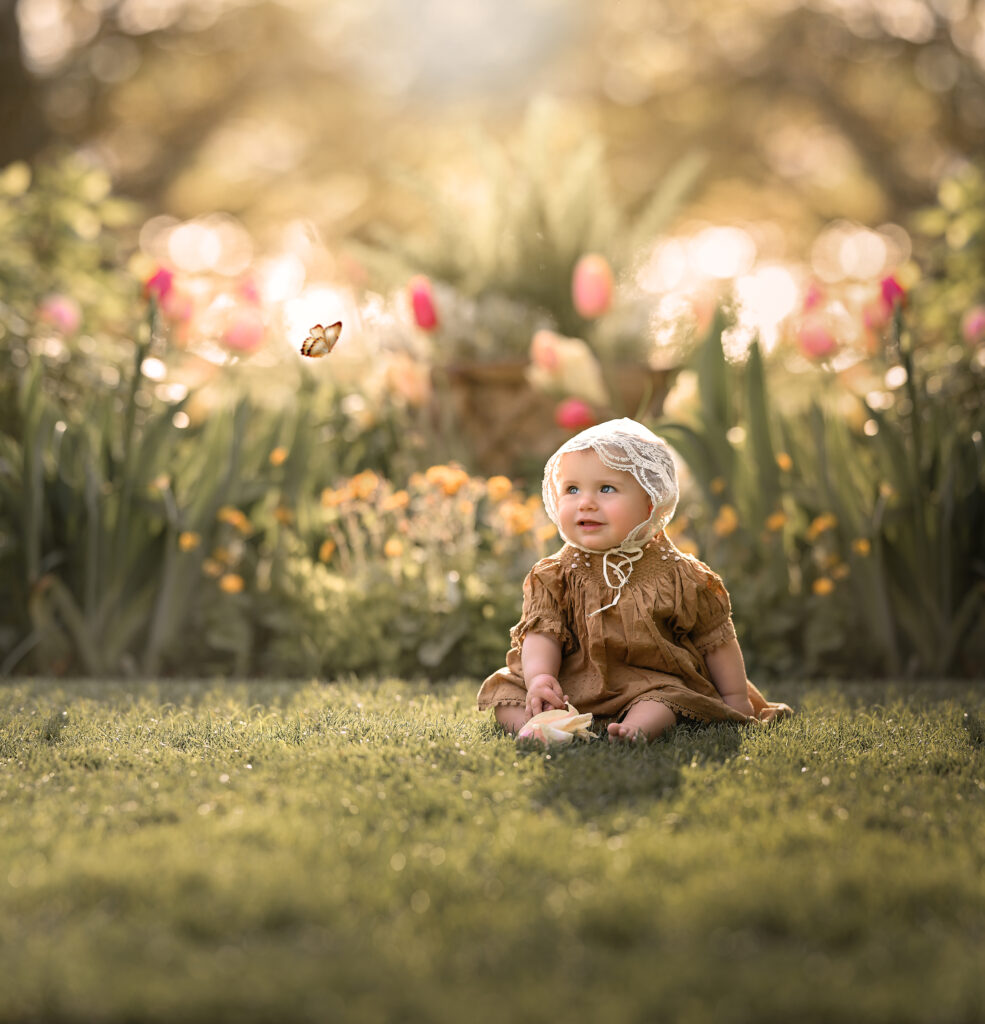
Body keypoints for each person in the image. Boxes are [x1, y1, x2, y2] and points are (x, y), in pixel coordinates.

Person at [477, 418, 792, 742]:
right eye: (572, 489)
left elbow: (717, 641)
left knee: (667, 698)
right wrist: (541, 678)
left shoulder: (680, 574)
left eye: (606, 488)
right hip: (571, 683)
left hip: (647, 681)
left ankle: (635, 729)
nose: (585, 501)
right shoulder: (555, 574)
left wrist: (736, 700)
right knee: (506, 691)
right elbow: (543, 633)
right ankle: (541, 728)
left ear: (649, 502)